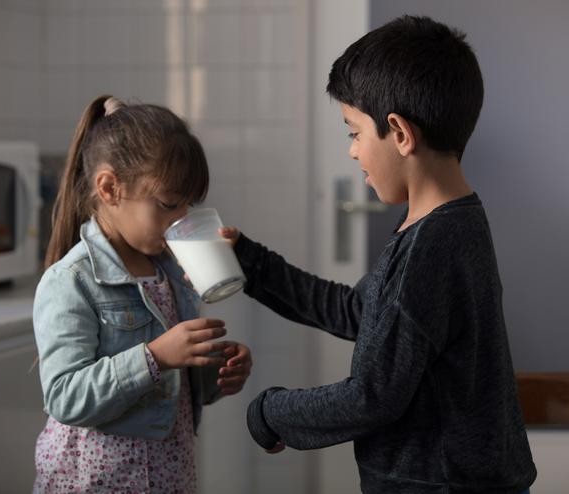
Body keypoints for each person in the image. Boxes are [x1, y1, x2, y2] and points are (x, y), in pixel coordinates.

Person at [221, 15, 536, 493]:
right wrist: (250, 262)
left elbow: (371, 397)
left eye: (354, 132)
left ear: (400, 133)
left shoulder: (430, 248)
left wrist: (270, 411)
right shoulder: (447, 222)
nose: (352, 152)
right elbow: (358, 311)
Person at [32, 95, 252, 494]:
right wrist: (154, 356)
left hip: (168, 476)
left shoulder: (170, 270)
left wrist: (215, 372)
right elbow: (65, 396)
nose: (181, 220)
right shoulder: (72, 280)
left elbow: (172, 387)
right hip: (97, 482)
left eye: (188, 206)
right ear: (110, 188)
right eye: (168, 205)